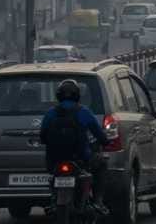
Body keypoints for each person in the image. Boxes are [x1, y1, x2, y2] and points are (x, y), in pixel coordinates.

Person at [40, 79, 110, 215]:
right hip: (81, 159)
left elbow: (43, 137)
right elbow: (99, 134)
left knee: (52, 177)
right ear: (77, 95)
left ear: (58, 95)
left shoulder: (50, 113)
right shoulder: (84, 112)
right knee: (102, 163)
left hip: (55, 160)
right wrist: (104, 142)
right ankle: (98, 201)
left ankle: (53, 201)